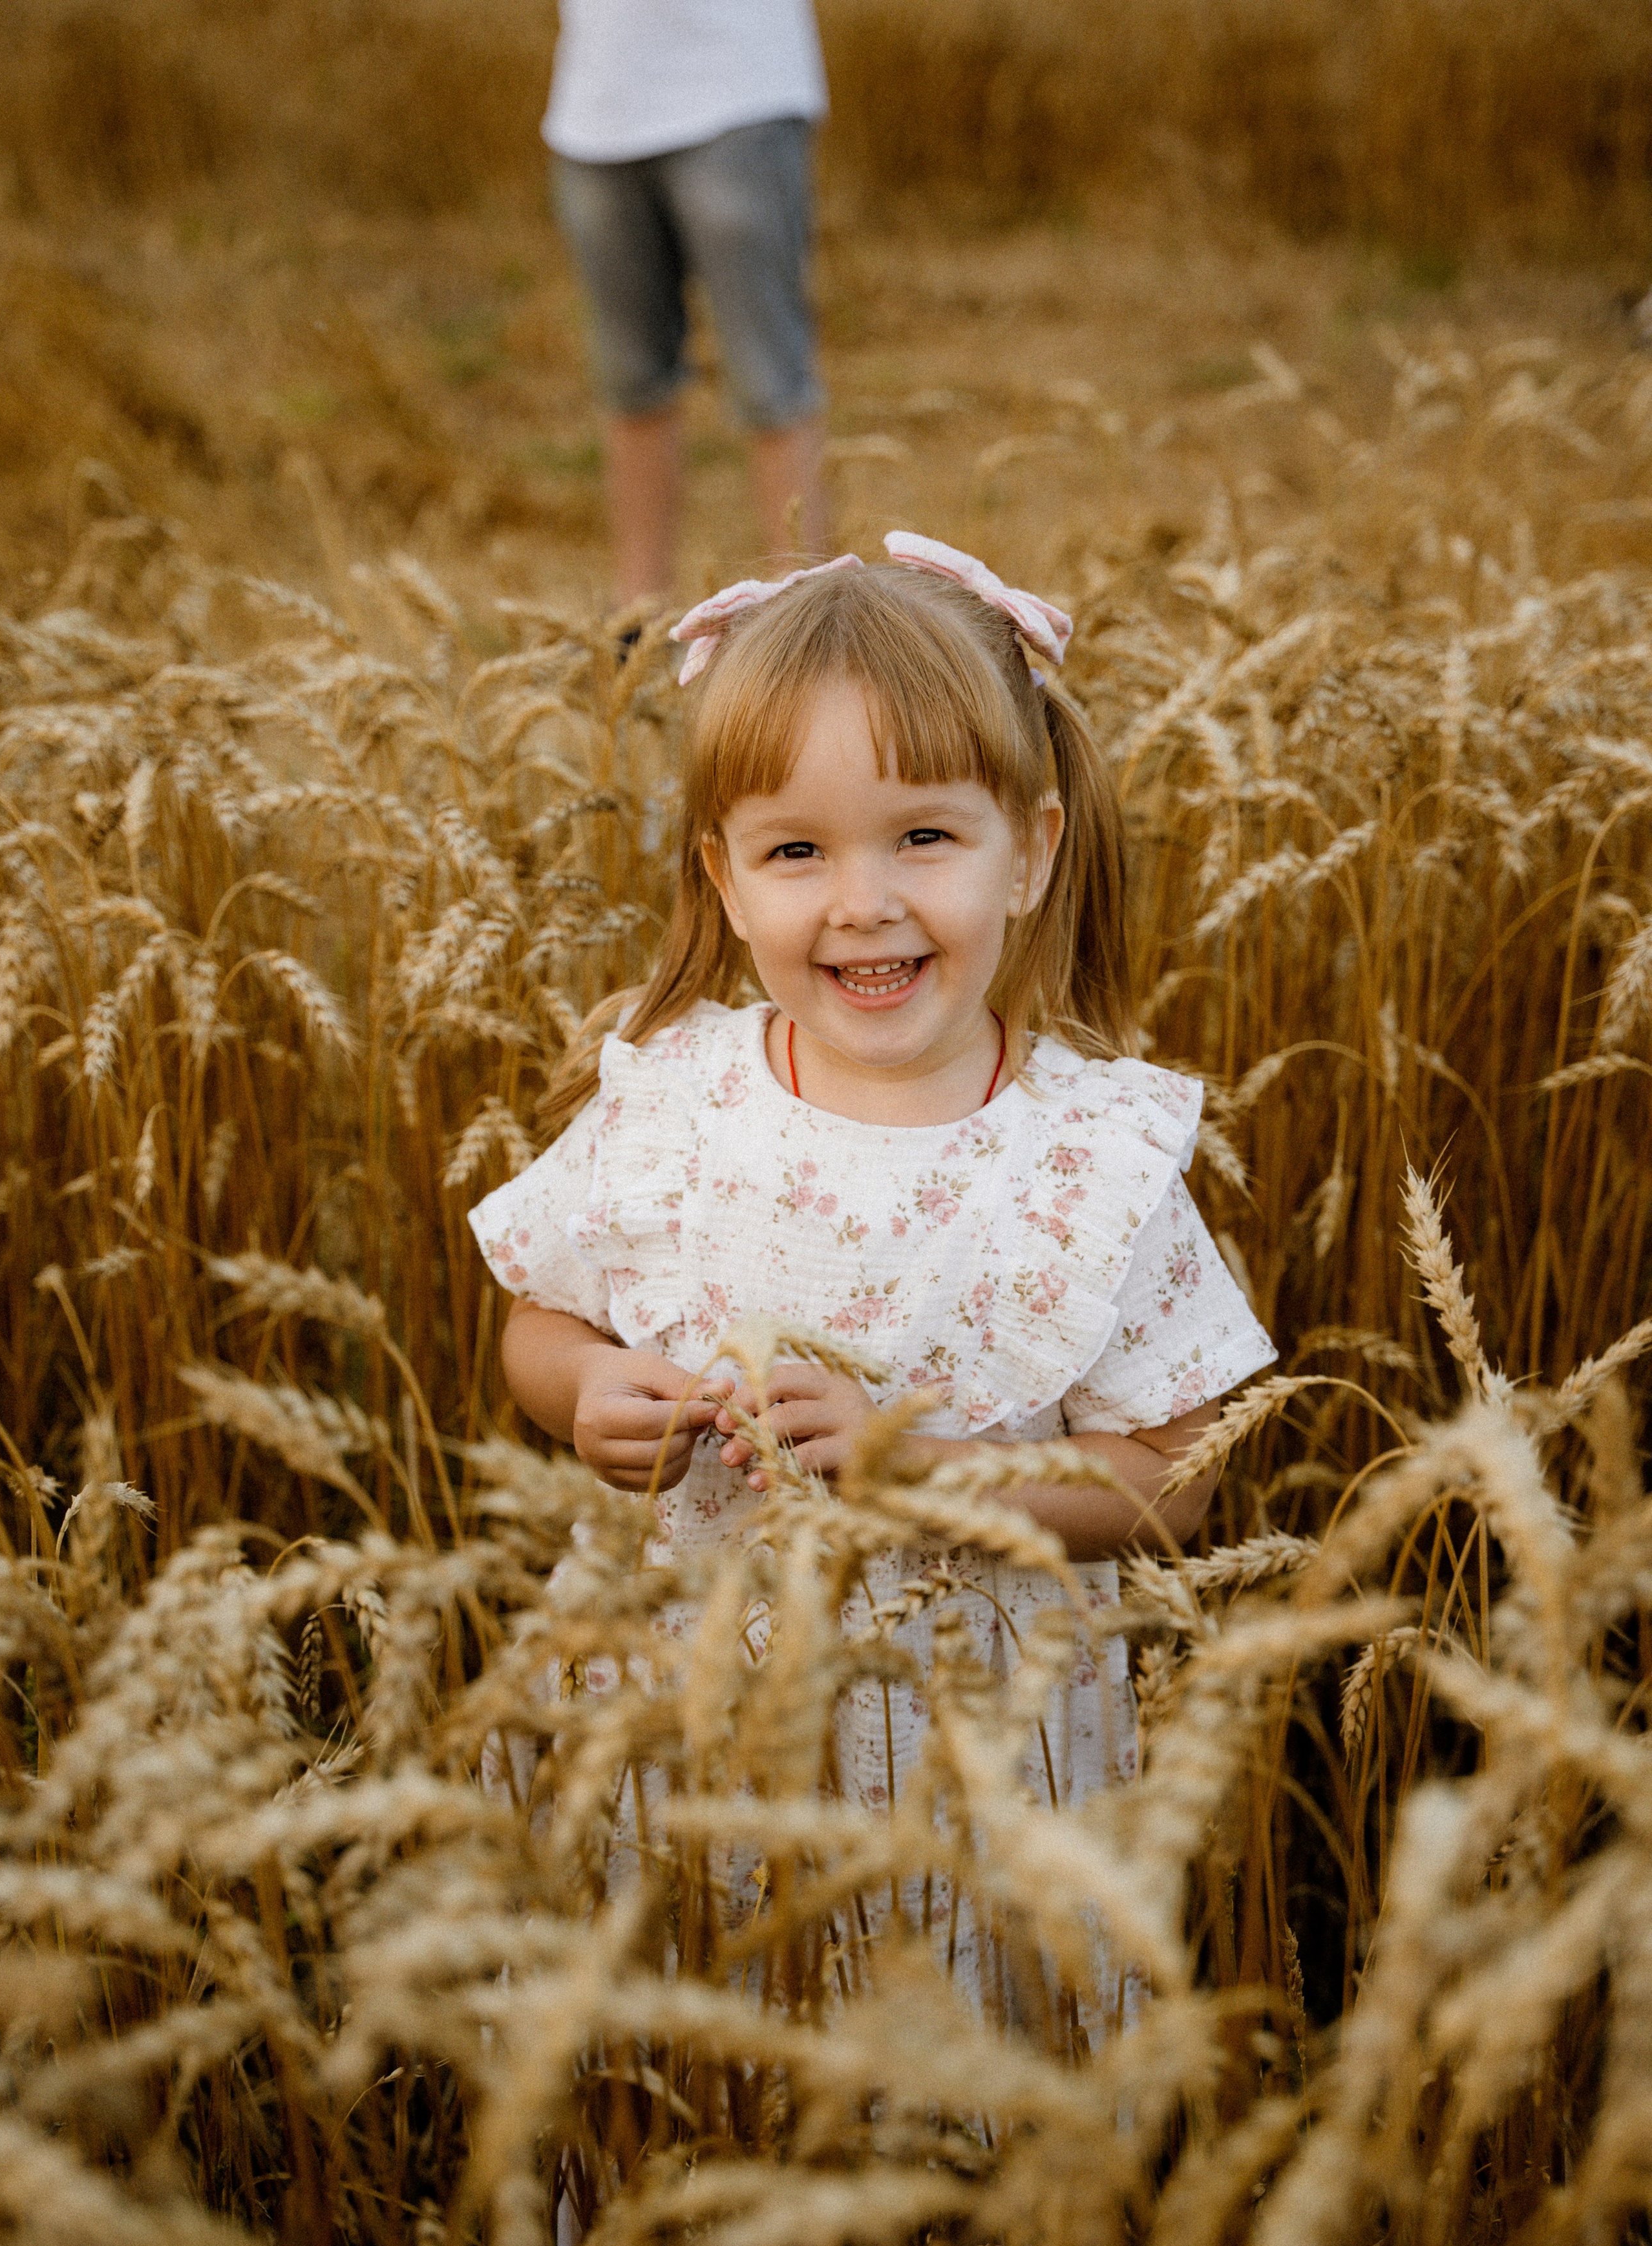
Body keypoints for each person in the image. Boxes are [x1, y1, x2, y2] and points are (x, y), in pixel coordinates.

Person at [469, 532, 1277, 2023]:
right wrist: (584, 1392)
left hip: (970, 1764)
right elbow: (541, 1312)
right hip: (684, 1726)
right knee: (692, 2065)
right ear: (722, 876)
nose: (862, 902)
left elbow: (1177, 1474)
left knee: (950, 2126)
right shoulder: (675, 1104)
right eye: (796, 850)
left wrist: (944, 1471)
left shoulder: (1087, 1160)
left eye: (921, 837)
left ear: (1026, 849)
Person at [544, 0, 831, 602]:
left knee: (770, 379)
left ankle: (804, 624)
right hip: (598, 108)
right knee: (630, 381)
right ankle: (638, 628)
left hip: (741, 93)